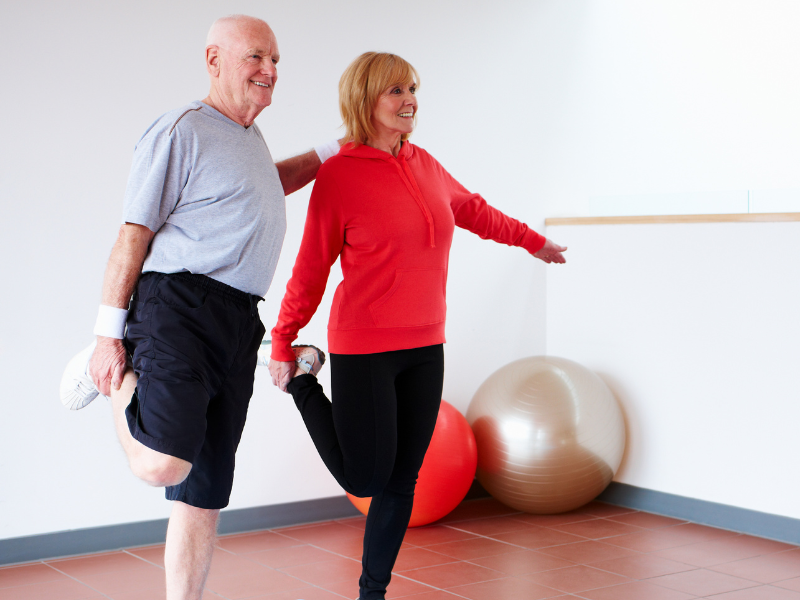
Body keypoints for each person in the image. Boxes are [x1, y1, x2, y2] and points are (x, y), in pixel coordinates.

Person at [59, 15, 340, 600]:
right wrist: (110, 331)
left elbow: (270, 180)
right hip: (177, 306)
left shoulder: (249, 139)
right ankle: (106, 367)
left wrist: (338, 149)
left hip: (238, 319)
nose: (270, 70)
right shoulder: (182, 130)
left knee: (204, 488)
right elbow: (132, 234)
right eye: (255, 57)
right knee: (163, 464)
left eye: (276, 60)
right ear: (214, 60)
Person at [268, 51, 567, 600]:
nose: (410, 102)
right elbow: (310, 266)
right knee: (364, 479)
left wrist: (533, 241)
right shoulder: (338, 175)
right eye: (396, 92)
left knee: (402, 480)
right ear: (366, 99)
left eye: (412, 90)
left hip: (426, 345)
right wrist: (285, 340)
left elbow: (473, 210)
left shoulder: (425, 164)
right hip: (363, 347)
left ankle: (372, 592)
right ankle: (307, 379)